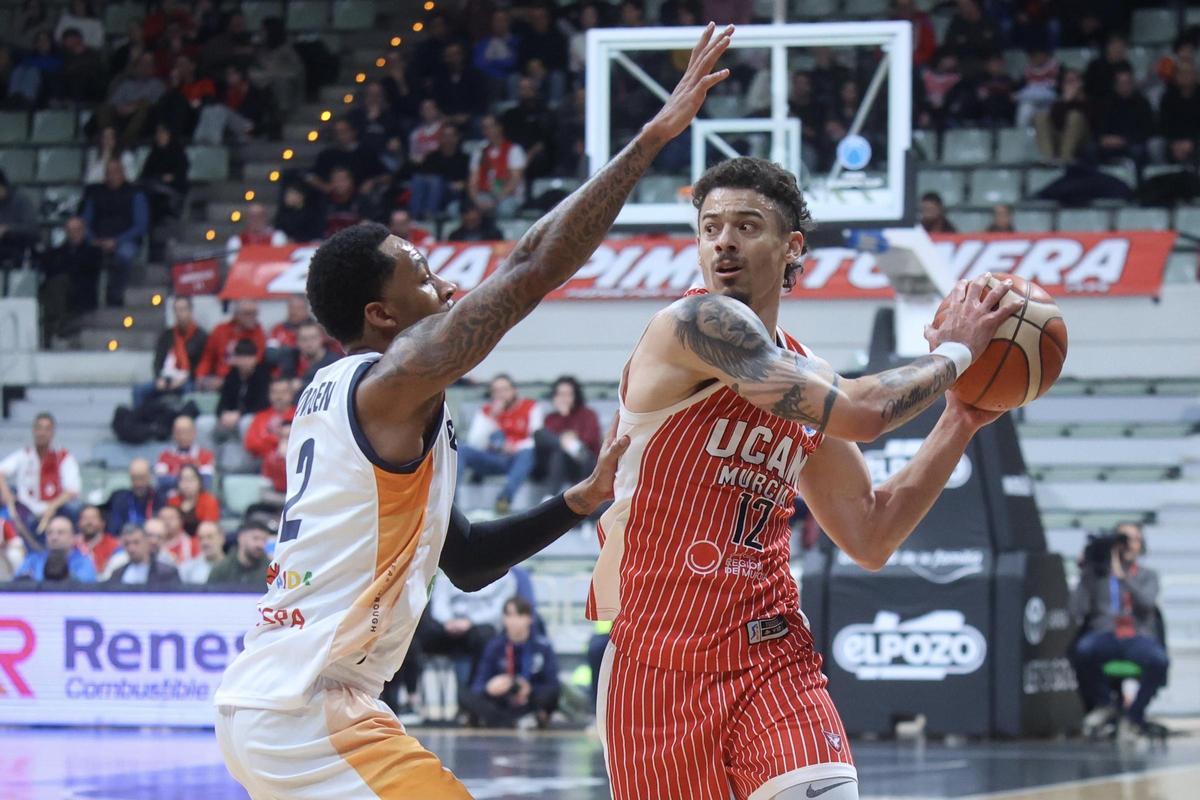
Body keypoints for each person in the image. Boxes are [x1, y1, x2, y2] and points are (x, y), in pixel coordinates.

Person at [213, 24, 734, 797]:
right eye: (421, 273)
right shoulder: (388, 385)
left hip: (290, 700)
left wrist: (577, 502)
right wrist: (654, 137)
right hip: (304, 713)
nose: (446, 285)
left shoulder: (363, 405)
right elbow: (529, 268)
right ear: (381, 315)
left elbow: (464, 562)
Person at [586, 155, 1017, 800]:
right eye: (710, 227)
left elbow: (870, 534)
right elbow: (866, 413)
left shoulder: (807, 372)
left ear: (792, 247)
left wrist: (961, 420)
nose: (723, 240)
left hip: (771, 652)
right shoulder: (693, 326)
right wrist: (955, 353)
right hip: (659, 663)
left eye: (746, 225)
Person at [1070, 522, 1169, 738]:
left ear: (1141, 545)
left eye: (1133, 539)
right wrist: (1085, 572)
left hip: (1136, 636)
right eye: (1123, 539)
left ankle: (1134, 715)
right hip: (1105, 635)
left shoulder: (1147, 575)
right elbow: (1077, 610)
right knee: (1083, 650)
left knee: (1159, 660)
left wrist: (1124, 578)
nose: (1128, 545)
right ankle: (1106, 704)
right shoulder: (1097, 575)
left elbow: (1147, 604)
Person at [460, 595, 560, 728]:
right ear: (504, 619)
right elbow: (479, 682)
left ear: (529, 618)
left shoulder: (542, 646)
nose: (513, 621)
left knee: (553, 692)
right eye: (509, 615)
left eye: (519, 615)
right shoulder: (494, 646)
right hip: (501, 699)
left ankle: (505, 720)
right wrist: (489, 688)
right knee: (464, 694)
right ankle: (517, 721)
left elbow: (552, 683)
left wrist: (529, 688)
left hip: (528, 699)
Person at [425, 569, 523, 691]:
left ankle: (475, 690)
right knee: (422, 628)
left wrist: (470, 622)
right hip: (448, 625)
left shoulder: (506, 576)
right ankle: (411, 697)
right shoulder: (448, 569)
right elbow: (439, 601)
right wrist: (448, 621)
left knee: (486, 635)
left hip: (479, 627)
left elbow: (499, 611)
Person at [459, 374, 543, 513]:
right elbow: (474, 442)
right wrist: (492, 416)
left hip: (517, 458)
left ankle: (504, 498)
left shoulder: (530, 406)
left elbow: (537, 438)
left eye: (504, 390)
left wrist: (514, 447)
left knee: (528, 453)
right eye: (496, 391)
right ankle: (452, 503)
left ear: (514, 390)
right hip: (493, 457)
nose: (500, 395)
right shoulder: (486, 410)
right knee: (461, 449)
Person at [0, 413, 82, 538]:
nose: (42, 433)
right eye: (39, 428)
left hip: (54, 511)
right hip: (24, 511)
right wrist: (7, 497)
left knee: (74, 509)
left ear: (52, 432)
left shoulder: (63, 457)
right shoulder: (24, 455)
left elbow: (72, 490)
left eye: (46, 429)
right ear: (33, 431)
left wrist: (52, 507)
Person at [80, 159, 149, 307]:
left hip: (126, 241)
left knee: (124, 256)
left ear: (123, 174)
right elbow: (84, 222)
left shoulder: (135, 194)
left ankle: (115, 298)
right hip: (97, 241)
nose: (112, 176)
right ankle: (86, 302)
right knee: (82, 256)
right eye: (108, 173)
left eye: (115, 172)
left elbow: (141, 226)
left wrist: (117, 241)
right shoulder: (95, 193)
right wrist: (92, 240)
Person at [37, 216, 103, 342]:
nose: (74, 234)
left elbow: (84, 269)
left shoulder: (93, 251)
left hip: (81, 294)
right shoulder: (56, 252)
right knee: (55, 286)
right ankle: (56, 326)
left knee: (58, 284)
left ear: (83, 231)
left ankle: (56, 326)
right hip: (56, 293)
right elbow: (49, 268)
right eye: (70, 230)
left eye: (77, 230)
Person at [137, 296, 208, 408]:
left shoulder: (201, 336)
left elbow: (203, 363)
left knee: (189, 391)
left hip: (188, 379)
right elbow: (158, 361)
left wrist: (183, 379)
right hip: (166, 377)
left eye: (183, 310)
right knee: (139, 390)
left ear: (190, 311)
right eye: (177, 310)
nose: (180, 314)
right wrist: (159, 378)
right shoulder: (167, 335)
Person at [537, 376, 602, 497]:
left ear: (575, 396)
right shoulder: (550, 418)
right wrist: (566, 440)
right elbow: (547, 442)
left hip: (583, 462)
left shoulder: (588, 414)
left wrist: (573, 436)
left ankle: (549, 496)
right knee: (542, 436)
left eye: (568, 394)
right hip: (557, 463)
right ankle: (573, 447)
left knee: (562, 450)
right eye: (560, 394)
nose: (564, 398)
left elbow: (591, 439)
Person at [195, 300, 267, 390]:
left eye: (255, 313)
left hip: (244, 382)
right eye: (248, 313)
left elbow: (254, 363)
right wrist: (200, 376)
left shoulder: (259, 334)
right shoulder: (220, 330)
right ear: (236, 315)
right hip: (217, 379)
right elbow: (208, 357)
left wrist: (226, 381)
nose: (253, 317)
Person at [468, 115, 527, 219]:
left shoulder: (514, 150)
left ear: (499, 127)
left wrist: (495, 201)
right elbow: (473, 181)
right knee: (458, 209)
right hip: (485, 195)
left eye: (491, 126)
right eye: (484, 128)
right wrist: (476, 200)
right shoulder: (479, 151)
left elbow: (515, 180)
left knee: (504, 210)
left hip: (508, 197)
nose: (488, 131)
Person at [410, 125, 471, 220]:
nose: (447, 139)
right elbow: (425, 173)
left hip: (453, 191)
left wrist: (462, 183)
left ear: (457, 138)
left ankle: (430, 215)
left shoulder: (464, 158)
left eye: (450, 136)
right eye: (445, 136)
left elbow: (468, 179)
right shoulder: (433, 156)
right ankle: (414, 215)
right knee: (419, 179)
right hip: (433, 189)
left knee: (436, 181)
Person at [15, 515, 95, 583]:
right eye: (50, 533)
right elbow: (15, 584)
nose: (54, 537)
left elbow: (86, 588)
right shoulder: (33, 560)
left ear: (72, 537)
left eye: (61, 533)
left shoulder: (83, 561)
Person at [107, 522, 182, 586]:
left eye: (136, 543)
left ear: (146, 543)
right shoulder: (117, 574)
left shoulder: (166, 573)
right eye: (127, 544)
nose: (131, 548)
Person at [155, 414, 215, 492]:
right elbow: (161, 482)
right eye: (178, 432)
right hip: (171, 501)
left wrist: (175, 479)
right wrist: (192, 480)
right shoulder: (164, 456)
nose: (182, 436)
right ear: (173, 433)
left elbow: (206, 482)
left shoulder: (206, 456)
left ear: (194, 432)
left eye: (186, 432)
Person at [244, 378, 296, 462]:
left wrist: (267, 440)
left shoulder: (298, 415)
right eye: (275, 392)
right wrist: (278, 440)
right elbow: (250, 444)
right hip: (262, 464)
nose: (279, 396)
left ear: (291, 394)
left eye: (283, 392)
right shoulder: (261, 416)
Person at [206, 521, 271, 586]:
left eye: (264, 540)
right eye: (255, 538)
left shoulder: (270, 570)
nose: (260, 545)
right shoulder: (221, 569)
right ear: (241, 538)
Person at [106, 457, 160, 533]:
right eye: (134, 478)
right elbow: (114, 529)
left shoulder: (160, 499)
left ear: (149, 477)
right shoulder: (120, 499)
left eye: (142, 478)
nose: (138, 483)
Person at [167, 463, 221, 536]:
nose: (187, 484)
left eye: (191, 480)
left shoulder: (209, 501)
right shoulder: (172, 501)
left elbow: (209, 529)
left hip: (201, 540)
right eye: (183, 479)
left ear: (199, 482)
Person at [291, 320, 339, 395]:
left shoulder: (334, 364)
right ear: (297, 342)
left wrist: (302, 385)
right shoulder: (292, 360)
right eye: (304, 339)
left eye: (313, 338)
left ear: (321, 339)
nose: (309, 343)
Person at [181, 519, 226, 584]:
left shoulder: (232, 568)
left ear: (222, 538)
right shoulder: (187, 569)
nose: (205, 542)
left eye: (210, 537)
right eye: (201, 538)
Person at [77, 504, 118, 574]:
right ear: (78, 523)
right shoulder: (73, 545)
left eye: (93, 518)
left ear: (103, 523)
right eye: (85, 518)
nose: (89, 522)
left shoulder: (114, 546)